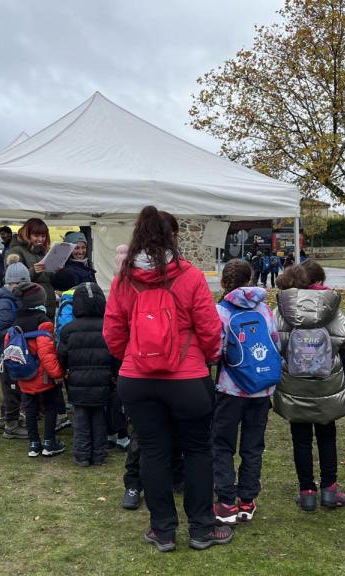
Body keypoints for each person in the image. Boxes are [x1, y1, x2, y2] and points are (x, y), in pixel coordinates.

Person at [103, 205, 230, 552]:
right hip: (187, 379)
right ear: (173, 236)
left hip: (137, 379)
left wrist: (131, 357)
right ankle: (202, 529)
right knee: (197, 451)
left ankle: (163, 530)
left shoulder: (123, 279)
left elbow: (113, 332)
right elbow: (209, 329)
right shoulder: (190, 276)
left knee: (153, 452)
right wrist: (205, 358)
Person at [272, 265, 345, 513]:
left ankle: (307, 491)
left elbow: (274, 342)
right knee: (327, 435)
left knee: (301, 438)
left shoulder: (280, 311)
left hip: (294, 383)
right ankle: (330, 489)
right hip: (326, 381)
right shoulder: (333, 309)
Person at [212, 259, 280, 525]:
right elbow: (274, 342)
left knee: (222, 445)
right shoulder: (264, 309)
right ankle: (247, 500)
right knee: (253, 446)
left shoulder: (221, 310)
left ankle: (226, 501)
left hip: (231, 388)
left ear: (224, 282)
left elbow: (216, 349)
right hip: (261, 389)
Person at [58, 282, 115, 467]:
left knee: (81, 418)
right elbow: (115, 354)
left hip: (77, 380)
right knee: (99, 417)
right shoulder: (107, 328)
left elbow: (62, 355)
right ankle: (98, 454)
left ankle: (82, 455)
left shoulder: (68, 330)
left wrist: (65, 369)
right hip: (102, 379)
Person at [12, 282, 67, 457]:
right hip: (42, 376)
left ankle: (34, 444)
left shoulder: (16, 321)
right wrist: (57, 374)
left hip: (24, 374)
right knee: (50, 407)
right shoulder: (43, 322)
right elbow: (47, 354)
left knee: (30, 408)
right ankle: (49, 443)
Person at [0, 257, 31, 439]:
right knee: (13, 389)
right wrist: (18, 332)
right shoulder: (6, 303)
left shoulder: (8, 299)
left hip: (5, 352)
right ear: (14, 284)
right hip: (5, 353)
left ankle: (5, 419)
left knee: (10, 388)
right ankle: (11, 425)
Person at [5, 218, 57, 319]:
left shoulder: (45, 252)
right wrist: (34, 271)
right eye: (36, 235)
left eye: (43, 236)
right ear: (27, 235)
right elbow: (11, 279)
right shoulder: (16, 252)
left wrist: (58, 270)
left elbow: (50, 280)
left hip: (48, 306)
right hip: (29, 308)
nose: (40, 239)